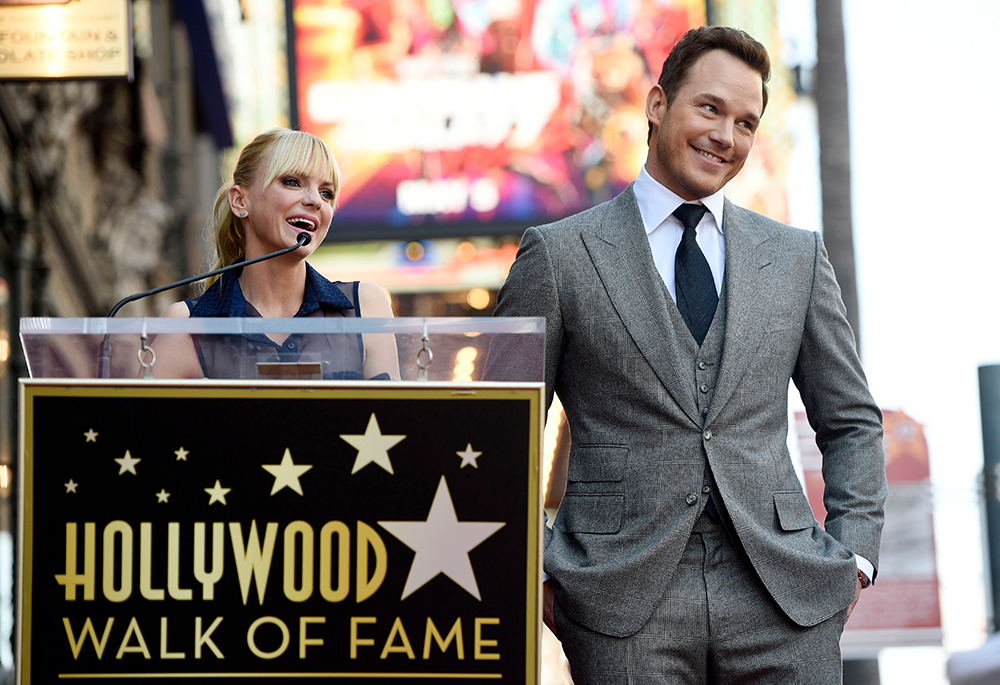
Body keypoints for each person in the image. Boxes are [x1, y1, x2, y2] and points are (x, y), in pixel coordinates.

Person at [489, 26, 886, 683]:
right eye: (709, 108)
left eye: (746, 122)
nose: (725, 136)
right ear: (655, 105)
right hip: (618, 598)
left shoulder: (795, 257)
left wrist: (854, 557)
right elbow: (499, 430)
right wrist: (538, 567)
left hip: (783, 595)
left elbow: (851, 421)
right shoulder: (558, 255)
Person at [156, 128, 399, 380]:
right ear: (240, 201)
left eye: (327, 193)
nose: (316, 200)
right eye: (292, 182)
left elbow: (390, 418)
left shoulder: (366, 307)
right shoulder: (185, 325)